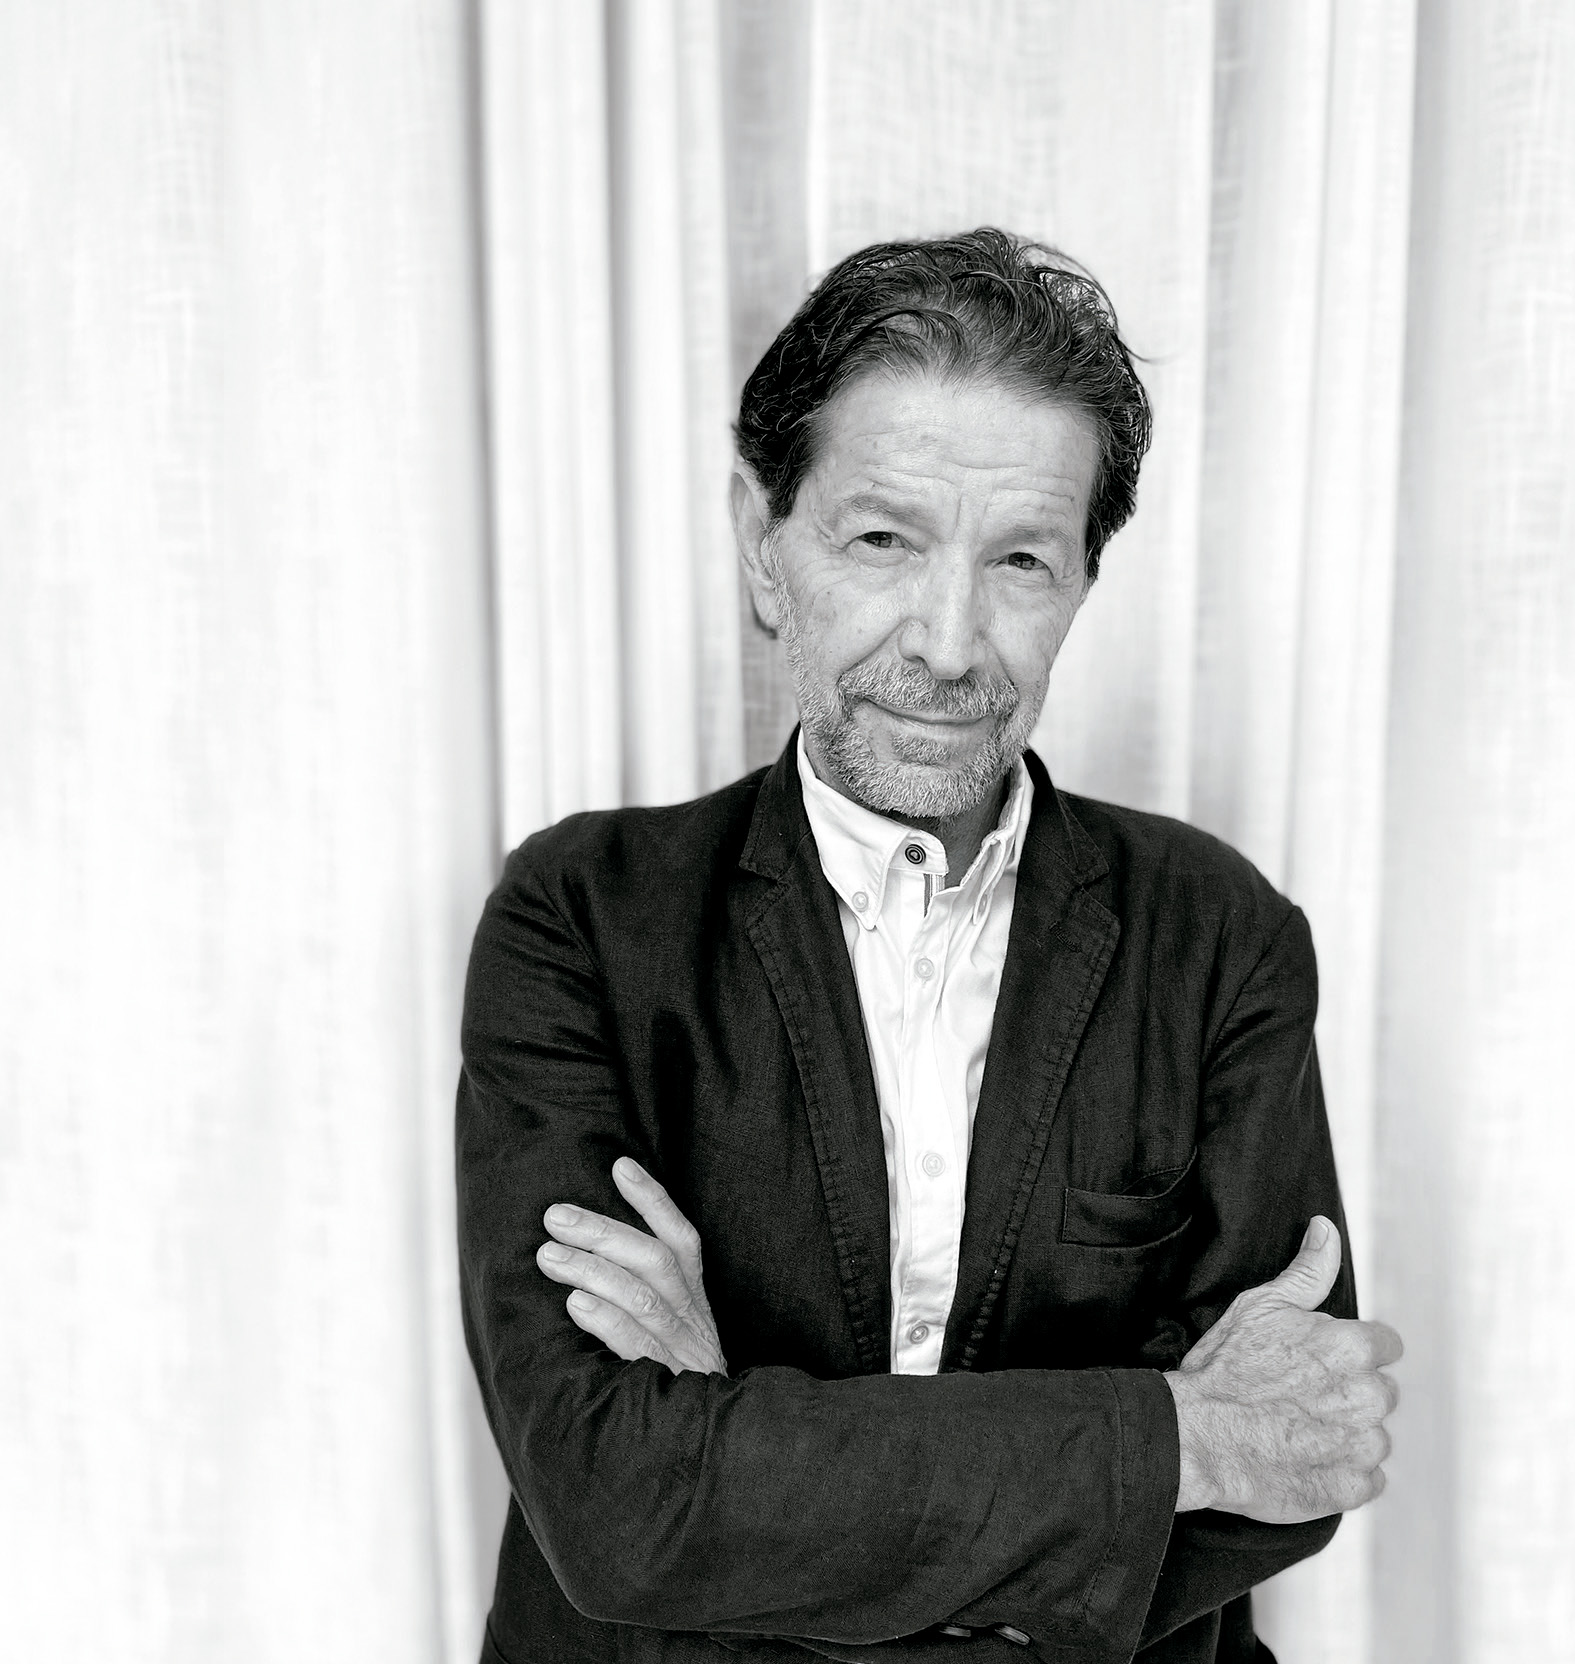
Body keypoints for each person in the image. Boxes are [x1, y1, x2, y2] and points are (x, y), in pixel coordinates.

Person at [457, 228, 1401, 1664]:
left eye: (1020, 559)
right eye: (882, 540)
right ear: (764, 545)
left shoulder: (1220, 937)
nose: (950, 646)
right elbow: (618, 1502)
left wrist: (743, 1465)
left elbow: (1292, 1459)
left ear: (1083, 581)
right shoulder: (581, 917)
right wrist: (1171, 1439)